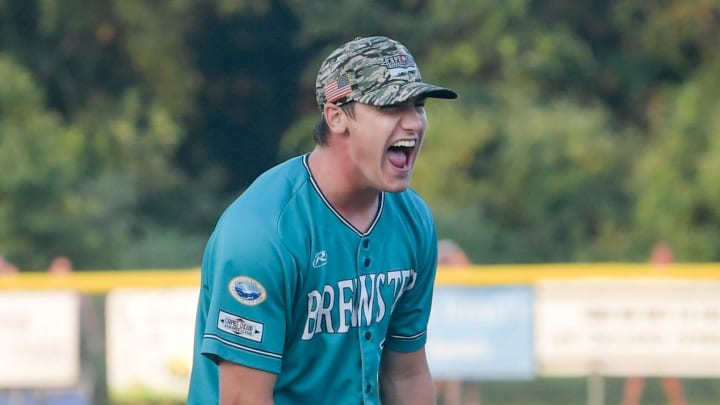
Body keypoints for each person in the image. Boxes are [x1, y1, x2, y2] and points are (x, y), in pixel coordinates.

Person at [187, 35, 457, 404]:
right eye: (391, 106)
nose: (413, 122)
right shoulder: (263, 232)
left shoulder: (412, 218)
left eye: (419, 104)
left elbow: (406, 373)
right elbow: (242, 400)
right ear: (336, 116)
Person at [621, 243, 688, 405]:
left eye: (666, 261)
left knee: (671, 381)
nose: (662, 264)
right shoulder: (642, 283)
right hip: (644, 338)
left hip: (666, 340)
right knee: (636, 378)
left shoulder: (678, 285)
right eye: (659, 260)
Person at [434, 239, 482, 405]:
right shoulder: (430, 278)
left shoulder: (469, 280)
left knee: (463, 383)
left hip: (463, 342)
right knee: (442, 381)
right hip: (440, 343)